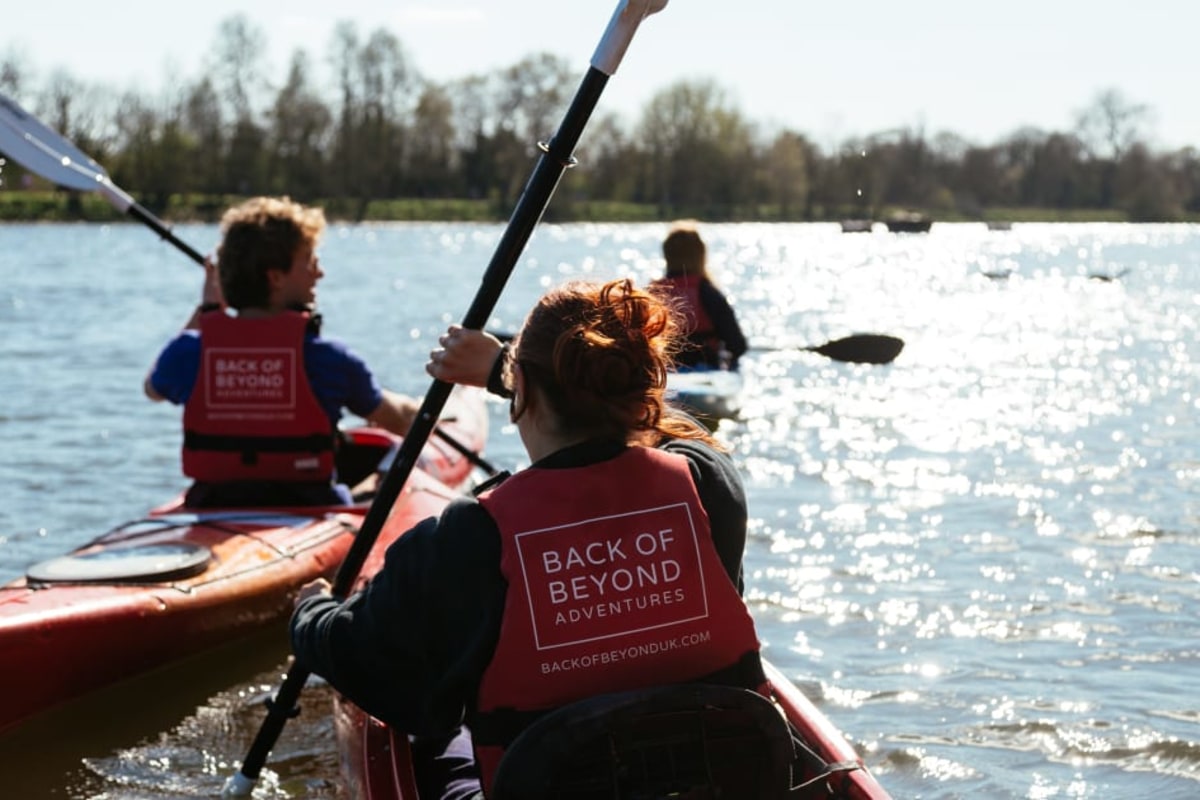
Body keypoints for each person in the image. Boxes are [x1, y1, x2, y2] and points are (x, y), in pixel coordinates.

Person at [289, 278, 764, 799]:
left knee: (437, 723)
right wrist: (502, 371)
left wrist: (310, 616)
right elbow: (665, 433)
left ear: (525, 393)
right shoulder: (708, 483)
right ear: (642, 389)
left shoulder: (470, 536)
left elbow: (367, 661)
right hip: (717, 782)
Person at [144, 196, 418, 508]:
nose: (319, 273)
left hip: (211, 503)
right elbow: (398, 420)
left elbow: (152, 388)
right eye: (309, 260)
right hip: (312, 506)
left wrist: (207, 311)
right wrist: (425, 411)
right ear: (275, 277)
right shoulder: (329, 358)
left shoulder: (188, 352)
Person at [650, 219, 748, 370]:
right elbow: (737, 345)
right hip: (704, 369)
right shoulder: (708, 293)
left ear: (667, 255)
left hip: (666, 371)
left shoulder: (653, 294)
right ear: (701, 255)